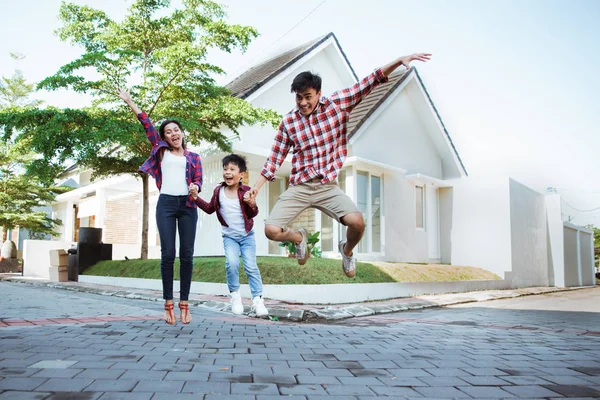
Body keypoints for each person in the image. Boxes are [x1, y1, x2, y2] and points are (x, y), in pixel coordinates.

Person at [246, 53, 431, 277]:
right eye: (298, 98)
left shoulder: (337, 104)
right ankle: (299, 237)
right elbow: (274, 159)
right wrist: (256, 188)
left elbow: (369, 82)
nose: (303, 103)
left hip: (327, 185)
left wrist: (398, 61)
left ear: (318, 94)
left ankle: (347, 250)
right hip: (300, 187)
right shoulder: (289, 122)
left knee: (357, 223)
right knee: (271, 230)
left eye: (308, 97)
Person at [117, 88, 202, 326]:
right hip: (165, 204)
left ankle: (184, 304)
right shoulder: (161, 150)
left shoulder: (194, 157)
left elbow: (198, 180)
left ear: (182, 133)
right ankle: (168, 304)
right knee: (167, 255)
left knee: (187, 256)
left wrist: (195, 186)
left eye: (176, 130)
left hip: (187, 206)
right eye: (168, 131)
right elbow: (146, 124)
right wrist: (130, 102)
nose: (173, 133)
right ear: (164, 137)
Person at [189, 154, 268, 317]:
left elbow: (253, 213)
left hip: (247, 236)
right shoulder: (218, 191)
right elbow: (211, 208)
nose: (227, 172)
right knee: (231, 264)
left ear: (242, 175)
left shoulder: (246, 191)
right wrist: (196, 198)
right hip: (229, 237)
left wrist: (251, 203)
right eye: (225, 169)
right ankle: (235, 297)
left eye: (232, 169)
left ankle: (257, 300)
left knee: (251, 267)